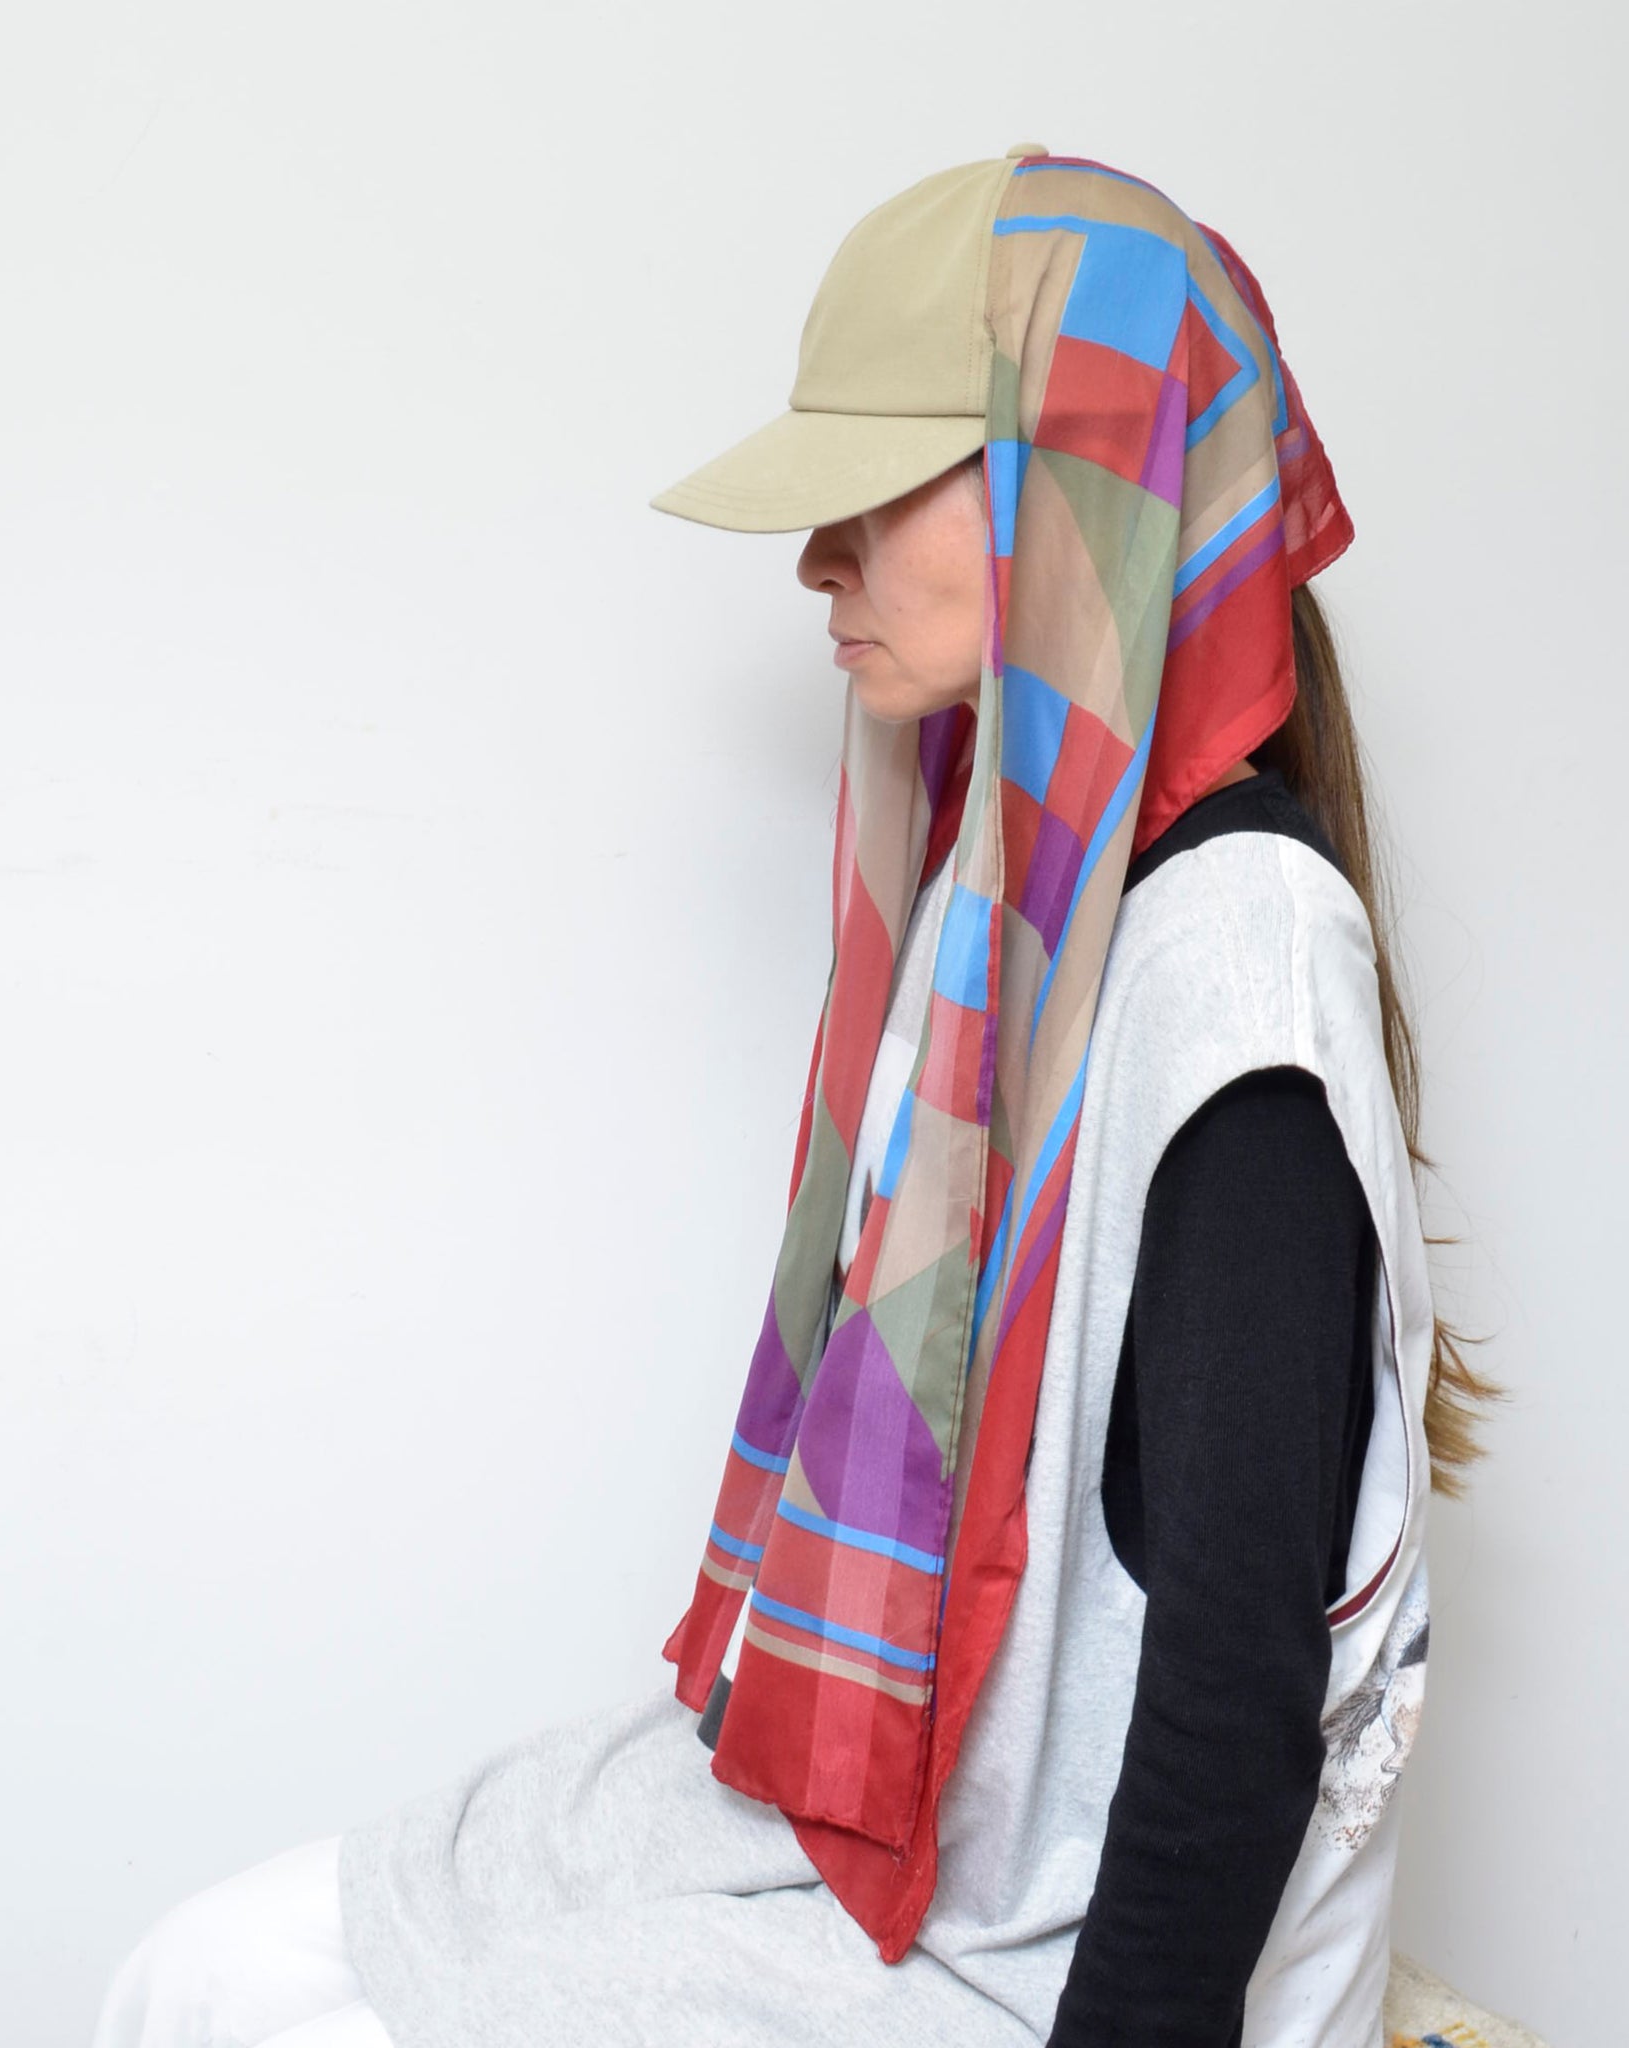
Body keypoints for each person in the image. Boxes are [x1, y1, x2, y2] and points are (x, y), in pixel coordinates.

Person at [91, 144, 1498, 2048]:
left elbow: (1238, 1691)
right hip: (878, 1826)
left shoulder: (1237, 956)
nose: (818, 560)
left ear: (1083, 486)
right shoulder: (1003, 895)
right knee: (201, 1973)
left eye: (877, 487)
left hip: (1052, 1954)